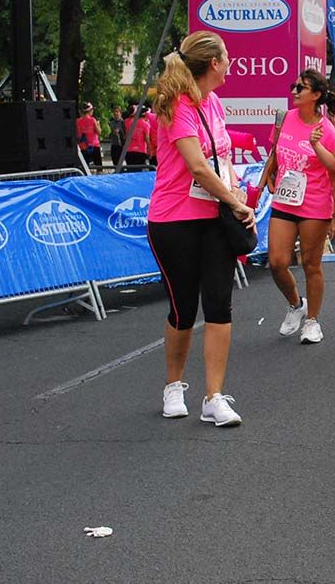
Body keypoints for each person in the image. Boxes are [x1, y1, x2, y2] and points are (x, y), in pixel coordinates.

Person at [147, 30, 255, 427]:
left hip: (214, 221)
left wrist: (236, 190)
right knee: (183, 308)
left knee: (219, 306)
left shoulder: (214, 103)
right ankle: (173, 386)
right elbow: (196, 166)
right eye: (227, 57)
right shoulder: (179, 105)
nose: (230, 64)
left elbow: (220, 158)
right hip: (174, 220)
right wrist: (234, 200)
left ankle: (214, 396)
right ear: (214, 62)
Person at [256, 70, 335, 344]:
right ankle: (296, 304)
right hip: (284, 199)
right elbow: (274, 155)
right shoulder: (284, 119)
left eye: (301, 88)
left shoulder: (327, 130)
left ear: (316, 95)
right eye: (294, 86)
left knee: (310, 264)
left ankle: (313, 321)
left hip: (314, 204)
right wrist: (262, 184)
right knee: (277, 262)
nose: (294, 91)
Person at [76, 103, 102, 168]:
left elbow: (79, 135)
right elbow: (99, 132)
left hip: (84, 146)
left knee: (85, 167)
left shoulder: (78, 121)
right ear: (90, 111)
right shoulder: (93, 120)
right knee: (99, 167)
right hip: (94, 145)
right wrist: (98, 124)